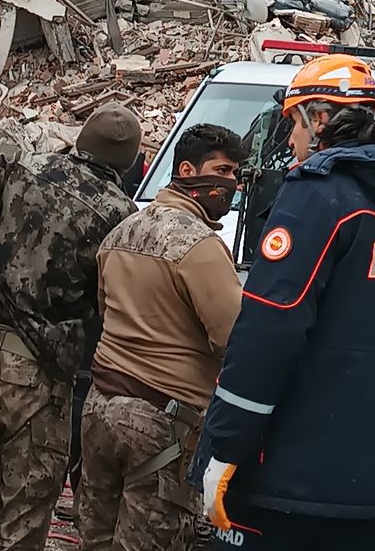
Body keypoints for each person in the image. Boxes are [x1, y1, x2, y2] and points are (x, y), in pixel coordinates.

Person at [200, 56, 375, 550]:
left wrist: (225, 446)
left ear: (318, 120)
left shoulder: (317, 198)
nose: (290, 141)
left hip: (299, 482)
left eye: (292, 122)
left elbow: (269, 329)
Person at [0, 104, 141, 551]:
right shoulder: (119, 213)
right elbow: (117, 299)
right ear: (129, 162)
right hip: (39, 380)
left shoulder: (27, 165)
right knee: (23, 525)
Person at [77, 125, 243, 551]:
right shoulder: (200, 246)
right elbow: (233, 337)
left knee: (95, 538)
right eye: (222, 170)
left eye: (236, 174)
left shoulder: (121, 232)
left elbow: (105, 309)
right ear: (187, 170)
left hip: (101, 408)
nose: (231, 184)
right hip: (161, 421)